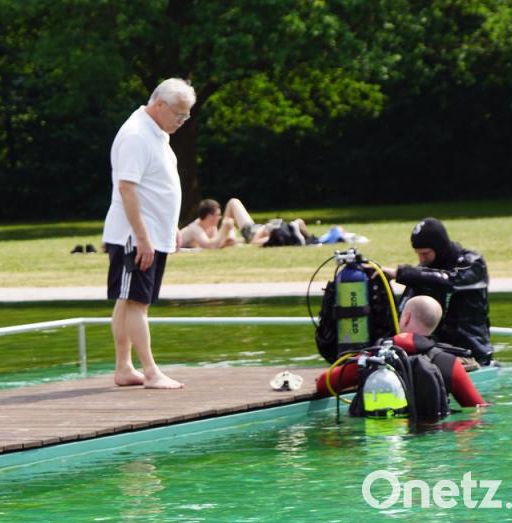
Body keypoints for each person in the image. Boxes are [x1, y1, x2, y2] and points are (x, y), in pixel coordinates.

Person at [102, 78, 195, 390]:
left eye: (186, 117)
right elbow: (126, 188)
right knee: (137, 302)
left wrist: (172, 229)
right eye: (179, 115)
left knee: (128, 299)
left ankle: (124, 368)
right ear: (160, 105)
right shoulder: (136, 135)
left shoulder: (157, 133)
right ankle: (151, 372)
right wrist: (142, 237)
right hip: (136, 235)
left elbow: (157, 186)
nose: (182, 122)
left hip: (153, 232)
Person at [316, 295, 486, 407]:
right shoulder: (450, 364)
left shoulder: (375, 356)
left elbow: (324, 384)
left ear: (406, 317)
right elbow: (478, 407)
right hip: (429, 440)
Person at [379, 217, 494, 364]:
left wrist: (400, 274)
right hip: (438, 353)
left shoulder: (473, 263)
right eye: (418, 253)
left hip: (472, 355)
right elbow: (403, 312)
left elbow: (449, 281)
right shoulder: (423, 272)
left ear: (440, 248)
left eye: (425, 253)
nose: (421, 258)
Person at [178, 197, 357, 249]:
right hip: (256, 232)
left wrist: (228, 234)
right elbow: (211, 246)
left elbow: (219, 243)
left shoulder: (207, 227)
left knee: (233, 202)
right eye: (217, 216)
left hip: (257, 231)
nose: (218, 219)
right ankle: (303, 232)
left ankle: (304, 233)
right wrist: (227, 229)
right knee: (233, 203)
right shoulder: (195, 229)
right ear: (208, 216)